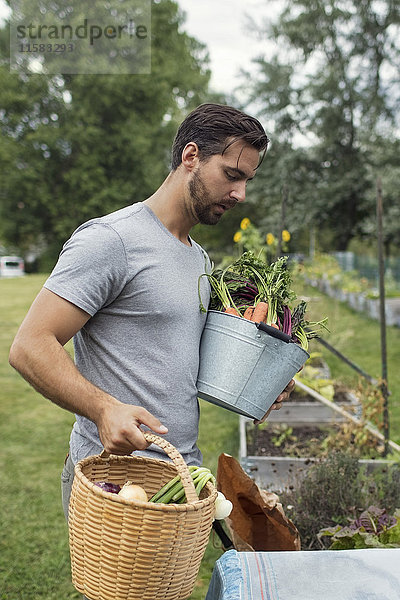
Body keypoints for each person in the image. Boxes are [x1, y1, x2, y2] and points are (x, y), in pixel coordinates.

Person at [9, 103, 295, 522]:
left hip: (181, 478)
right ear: (191, 157)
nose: (240, 195)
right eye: (232, 175)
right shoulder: (112, 240)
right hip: (115, 482)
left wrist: (261, 383)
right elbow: (29, 346)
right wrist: (104, 409)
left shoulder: (199, 259)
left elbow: (180, 362)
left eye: (247, 180)